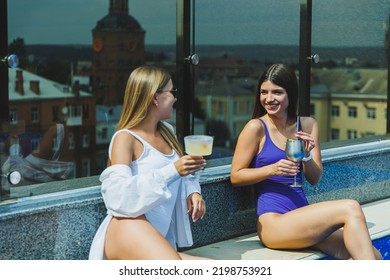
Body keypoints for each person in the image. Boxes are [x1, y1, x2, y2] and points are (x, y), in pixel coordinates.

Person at [230, 63, 381, 260]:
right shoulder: (255, 127)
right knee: (350, 207)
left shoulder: (307, 125)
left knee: (375, 256)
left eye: (277, 92)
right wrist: (272, 169)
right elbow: (236, 175)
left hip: (302, 215)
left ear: (290, 93)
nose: (269, 99)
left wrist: (307, 156)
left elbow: (314, 178)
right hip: (274, 223)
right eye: (264, 92)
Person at [89, 66, 207, 260]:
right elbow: (117, 196)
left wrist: (192, 190)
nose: (175, 98)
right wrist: (173, 170)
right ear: (155, 97)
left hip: (156, 236)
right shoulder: (125, 138)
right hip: (128, 227)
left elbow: (183, 173)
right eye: (172, 92)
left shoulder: (167, 131)